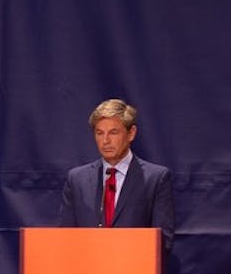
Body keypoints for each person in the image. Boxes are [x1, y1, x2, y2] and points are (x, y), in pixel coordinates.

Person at [59, 98, 174, 252]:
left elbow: (162, 241)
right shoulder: (77, 179)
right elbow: (64, 238)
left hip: (134, 271)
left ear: (131, 133)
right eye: (99, 133)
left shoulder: (155, 178)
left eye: (113, 132)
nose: (105, 140)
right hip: (87, 271)